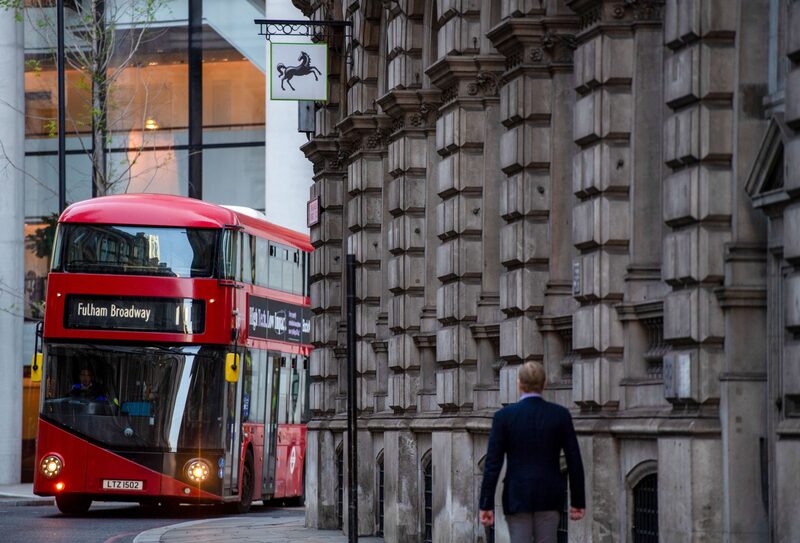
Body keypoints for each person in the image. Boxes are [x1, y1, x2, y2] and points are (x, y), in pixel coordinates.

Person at [479, 361, 585, 543]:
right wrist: (577, 502)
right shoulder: (560, 415)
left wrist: (486, 504)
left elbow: (492, 463)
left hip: (517, 494)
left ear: (519, 383)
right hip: (549, 494)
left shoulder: (504, 417)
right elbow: (574, 459)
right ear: (544, 384)